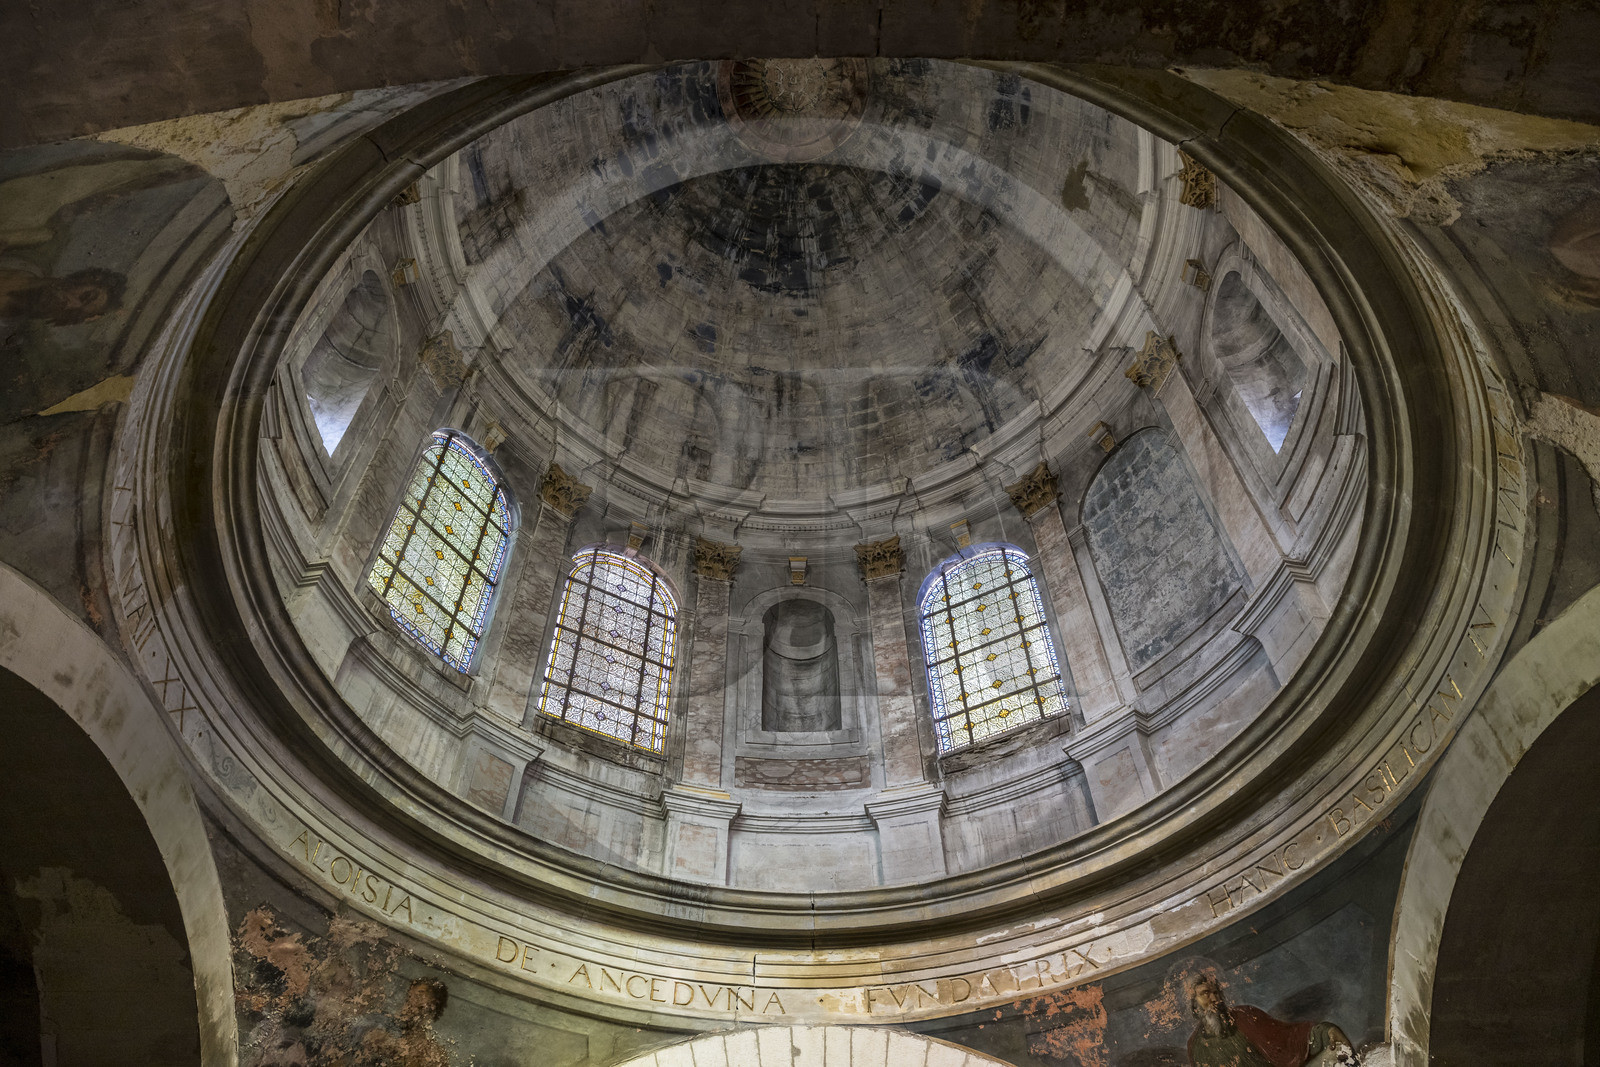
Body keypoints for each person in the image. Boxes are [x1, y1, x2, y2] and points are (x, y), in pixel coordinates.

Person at [1186, 973, 1358, 1067]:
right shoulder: (1195, 1046)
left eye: (1216, 993)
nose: (1214, 999)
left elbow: (1290, 1038)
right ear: (1194, 1003)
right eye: (1205, 994)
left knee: (1339, 1054)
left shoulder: (1246, 1016)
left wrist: (1326, 1031)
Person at [0, 267, 126, 326]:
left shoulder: (8, 326)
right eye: (85, 296)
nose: (69, 304)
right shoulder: (15, 256)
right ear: (84, 278)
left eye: (75, 313)